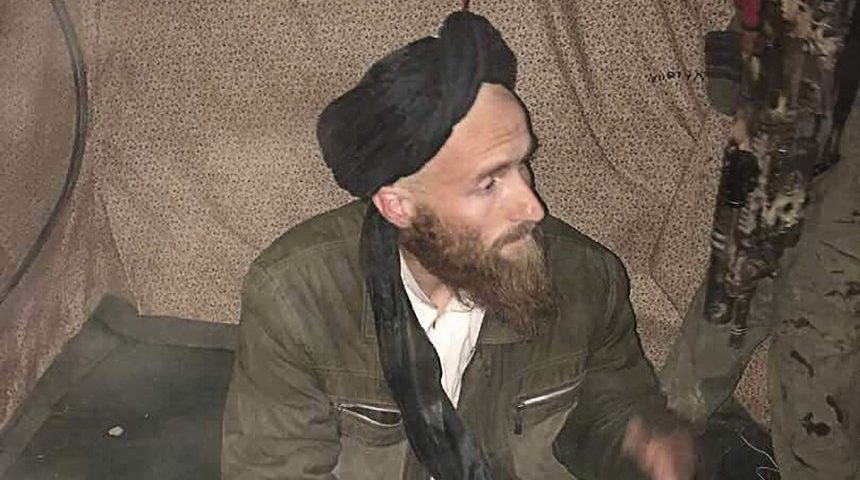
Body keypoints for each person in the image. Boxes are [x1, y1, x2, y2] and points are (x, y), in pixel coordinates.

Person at [222, 10, 694, 480]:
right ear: (397, 206)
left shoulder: (587, 278)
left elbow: (613, 412)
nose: (533, 208)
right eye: (488, 184)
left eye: (522, 165)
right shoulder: (297, 298)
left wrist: (645, 448)